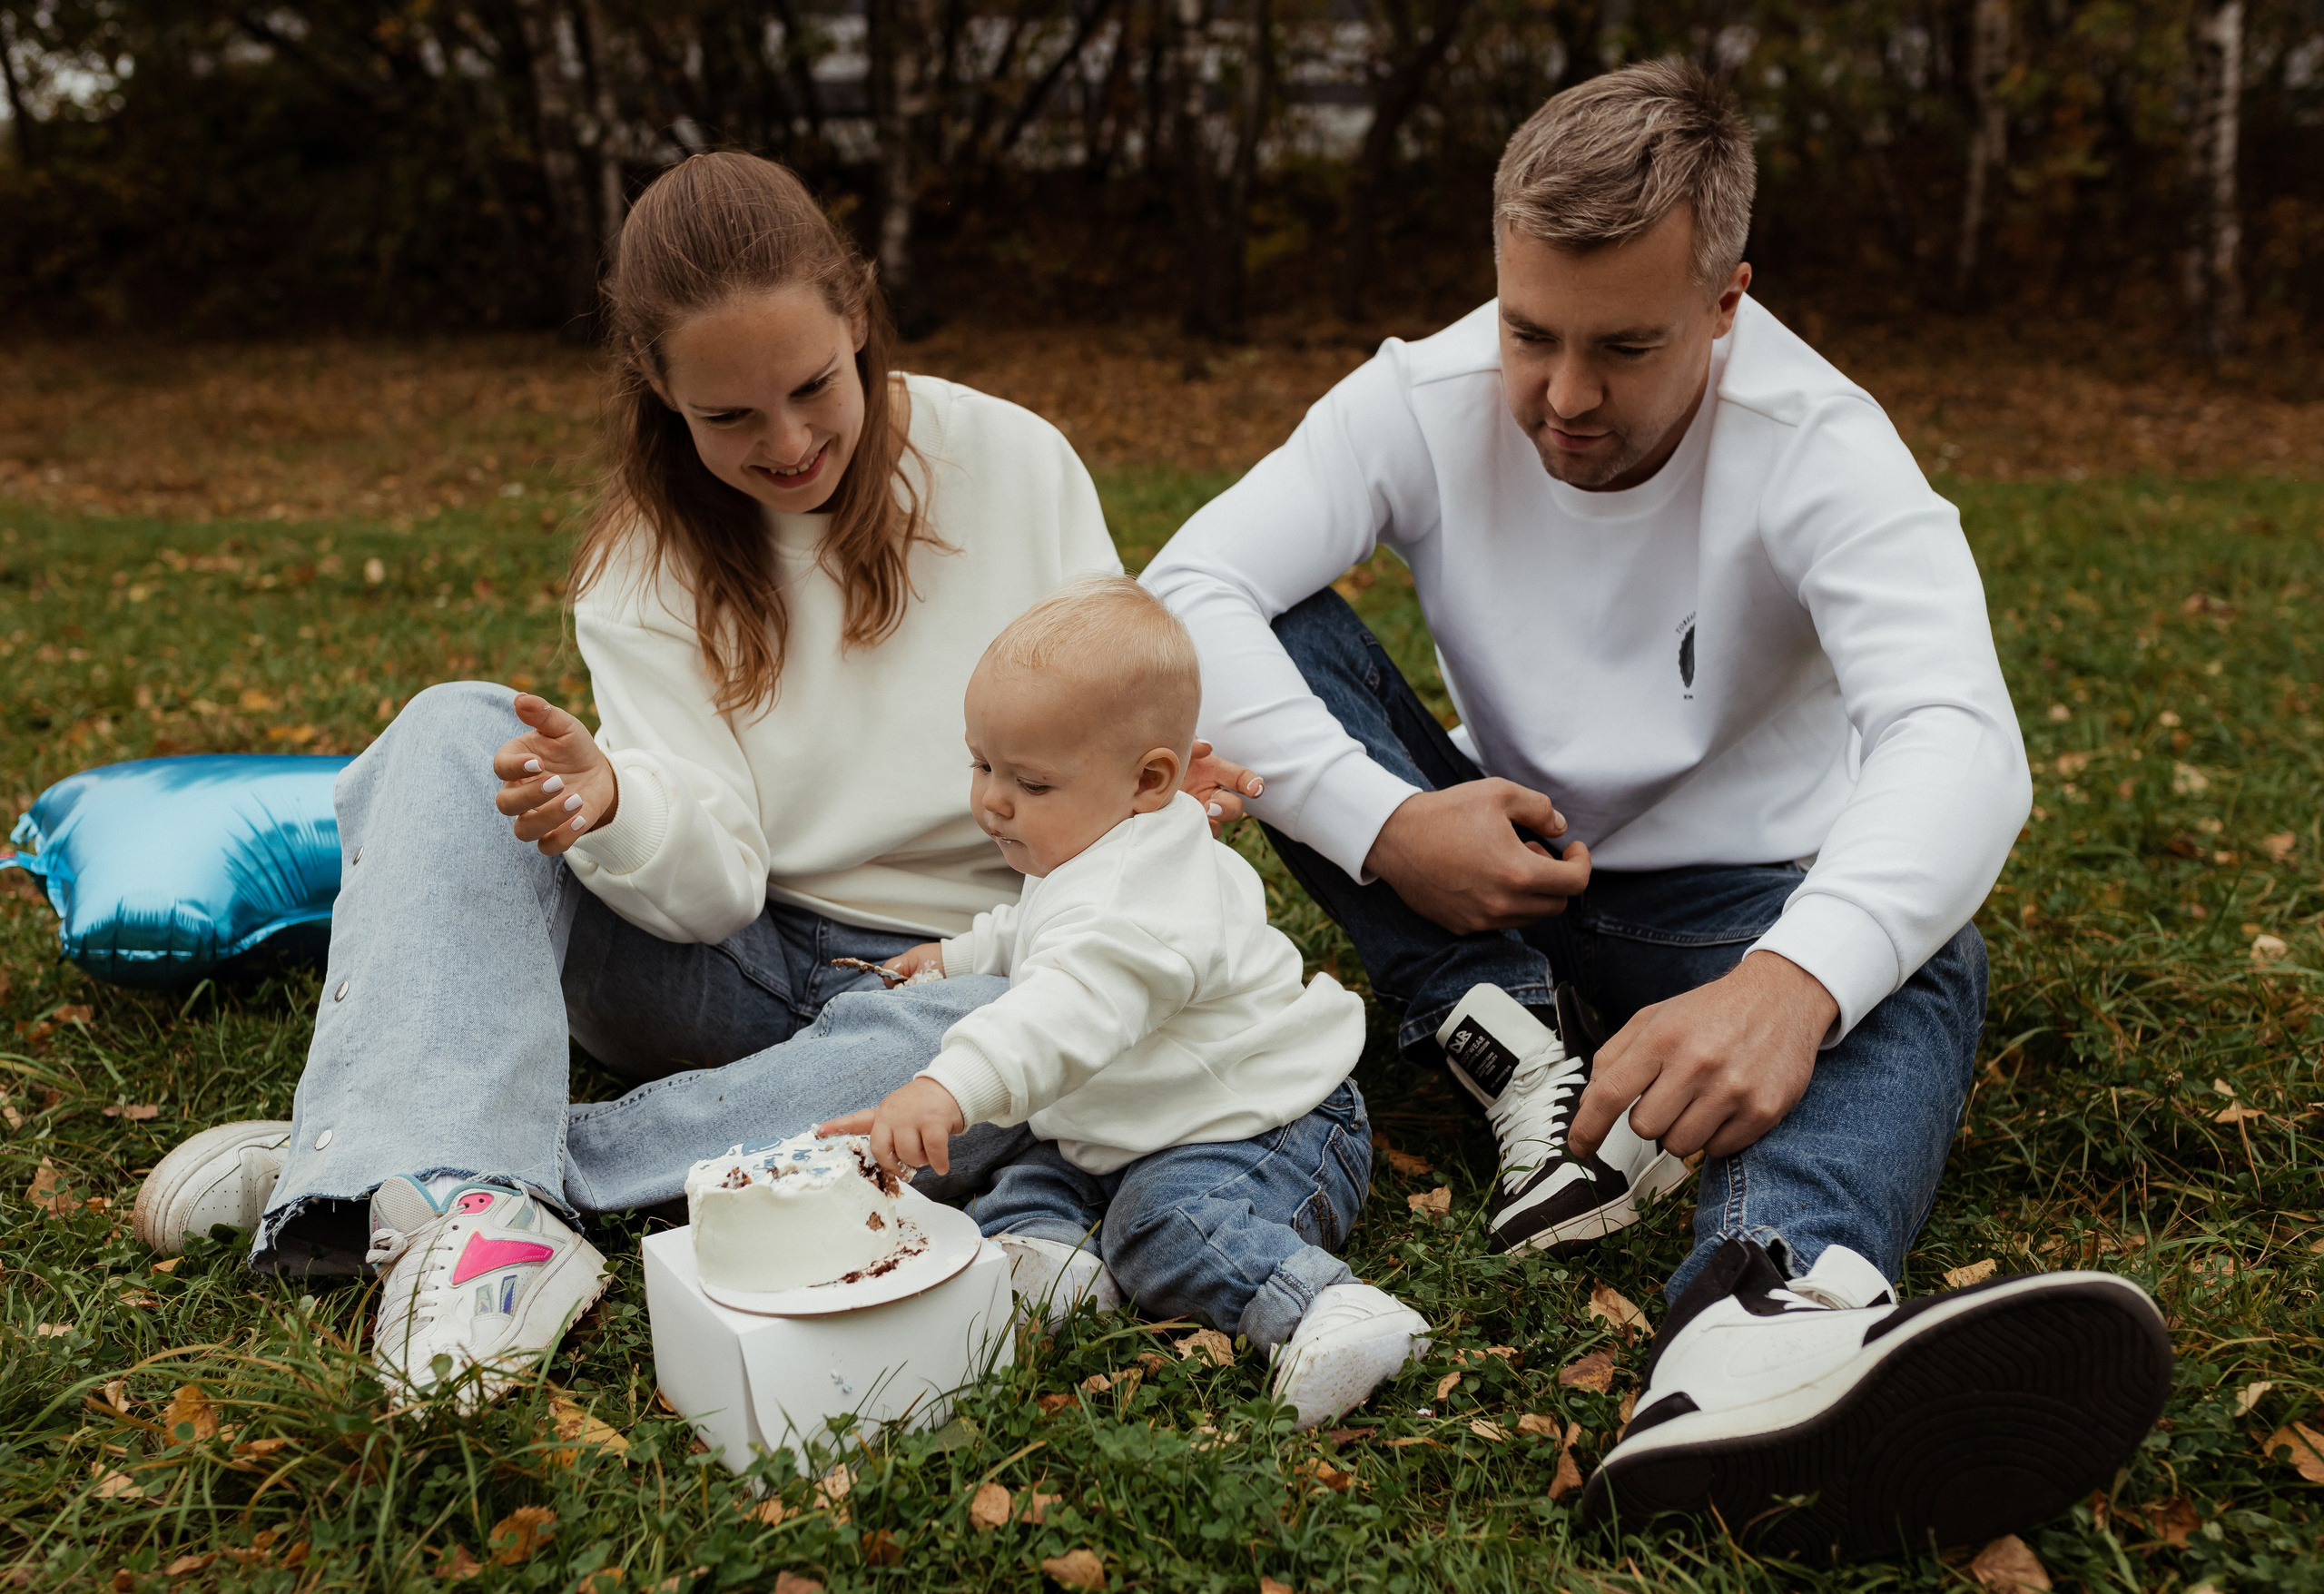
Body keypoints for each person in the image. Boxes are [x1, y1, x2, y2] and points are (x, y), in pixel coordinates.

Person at [1140, 62, 2171, 1556]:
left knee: (1911, 952)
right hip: (1497, 875)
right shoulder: (1416, 398)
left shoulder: (1821, 442)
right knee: (1262, 630)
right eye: (1526, 331)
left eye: (1624, 347)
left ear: (1727, 299)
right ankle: (1513, 1044)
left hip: (1741, 903)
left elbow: (1959, 735)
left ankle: (1753, 1331)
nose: (1562, 397)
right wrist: (1383, 824)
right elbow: (1188, 588)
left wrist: (1788, 983)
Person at [130, 153, 1256, 1410]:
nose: (788, 443)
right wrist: (614, 801)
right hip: (727, 965)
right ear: (659, 391)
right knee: (453, 729)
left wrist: (1147, 789)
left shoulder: (1012, 460)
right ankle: (444, 1169)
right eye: (729, 418)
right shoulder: (643, 560)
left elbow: (1103, 688)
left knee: (1032, 1048)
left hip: (960, 971)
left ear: (860, 320)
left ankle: (406, 1164)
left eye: (813, 386)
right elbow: (715, 888)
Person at [821, 577, 1430, 1429]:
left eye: (1029, 783)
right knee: (1032, 1175)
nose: (994, 799)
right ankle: (1050, 1263)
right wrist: (958, 955)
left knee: (1163, 1222)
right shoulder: (1095, 846)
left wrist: (947, 1086)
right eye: (982, 763)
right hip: (1131, 1121)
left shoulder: (1139, 899)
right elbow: (1038, 929)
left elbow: (1070, 1002)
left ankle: (1327, 1309)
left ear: (1150, 780)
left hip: (1261, 1122)